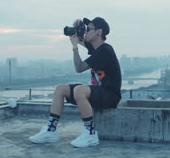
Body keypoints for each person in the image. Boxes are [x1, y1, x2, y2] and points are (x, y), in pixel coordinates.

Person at [29, 17, 122, 148]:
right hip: (99, 92)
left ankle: (90, 134)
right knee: (60, 89)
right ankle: (51, 130)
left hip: (110, 95)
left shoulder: (105, 50)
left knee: (79, 90)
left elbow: (79, 67)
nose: (86, 32)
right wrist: (77, 30)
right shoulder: (96, 48)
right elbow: (82, 40)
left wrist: (74, 47)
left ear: (99, 32)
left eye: (89, 29)